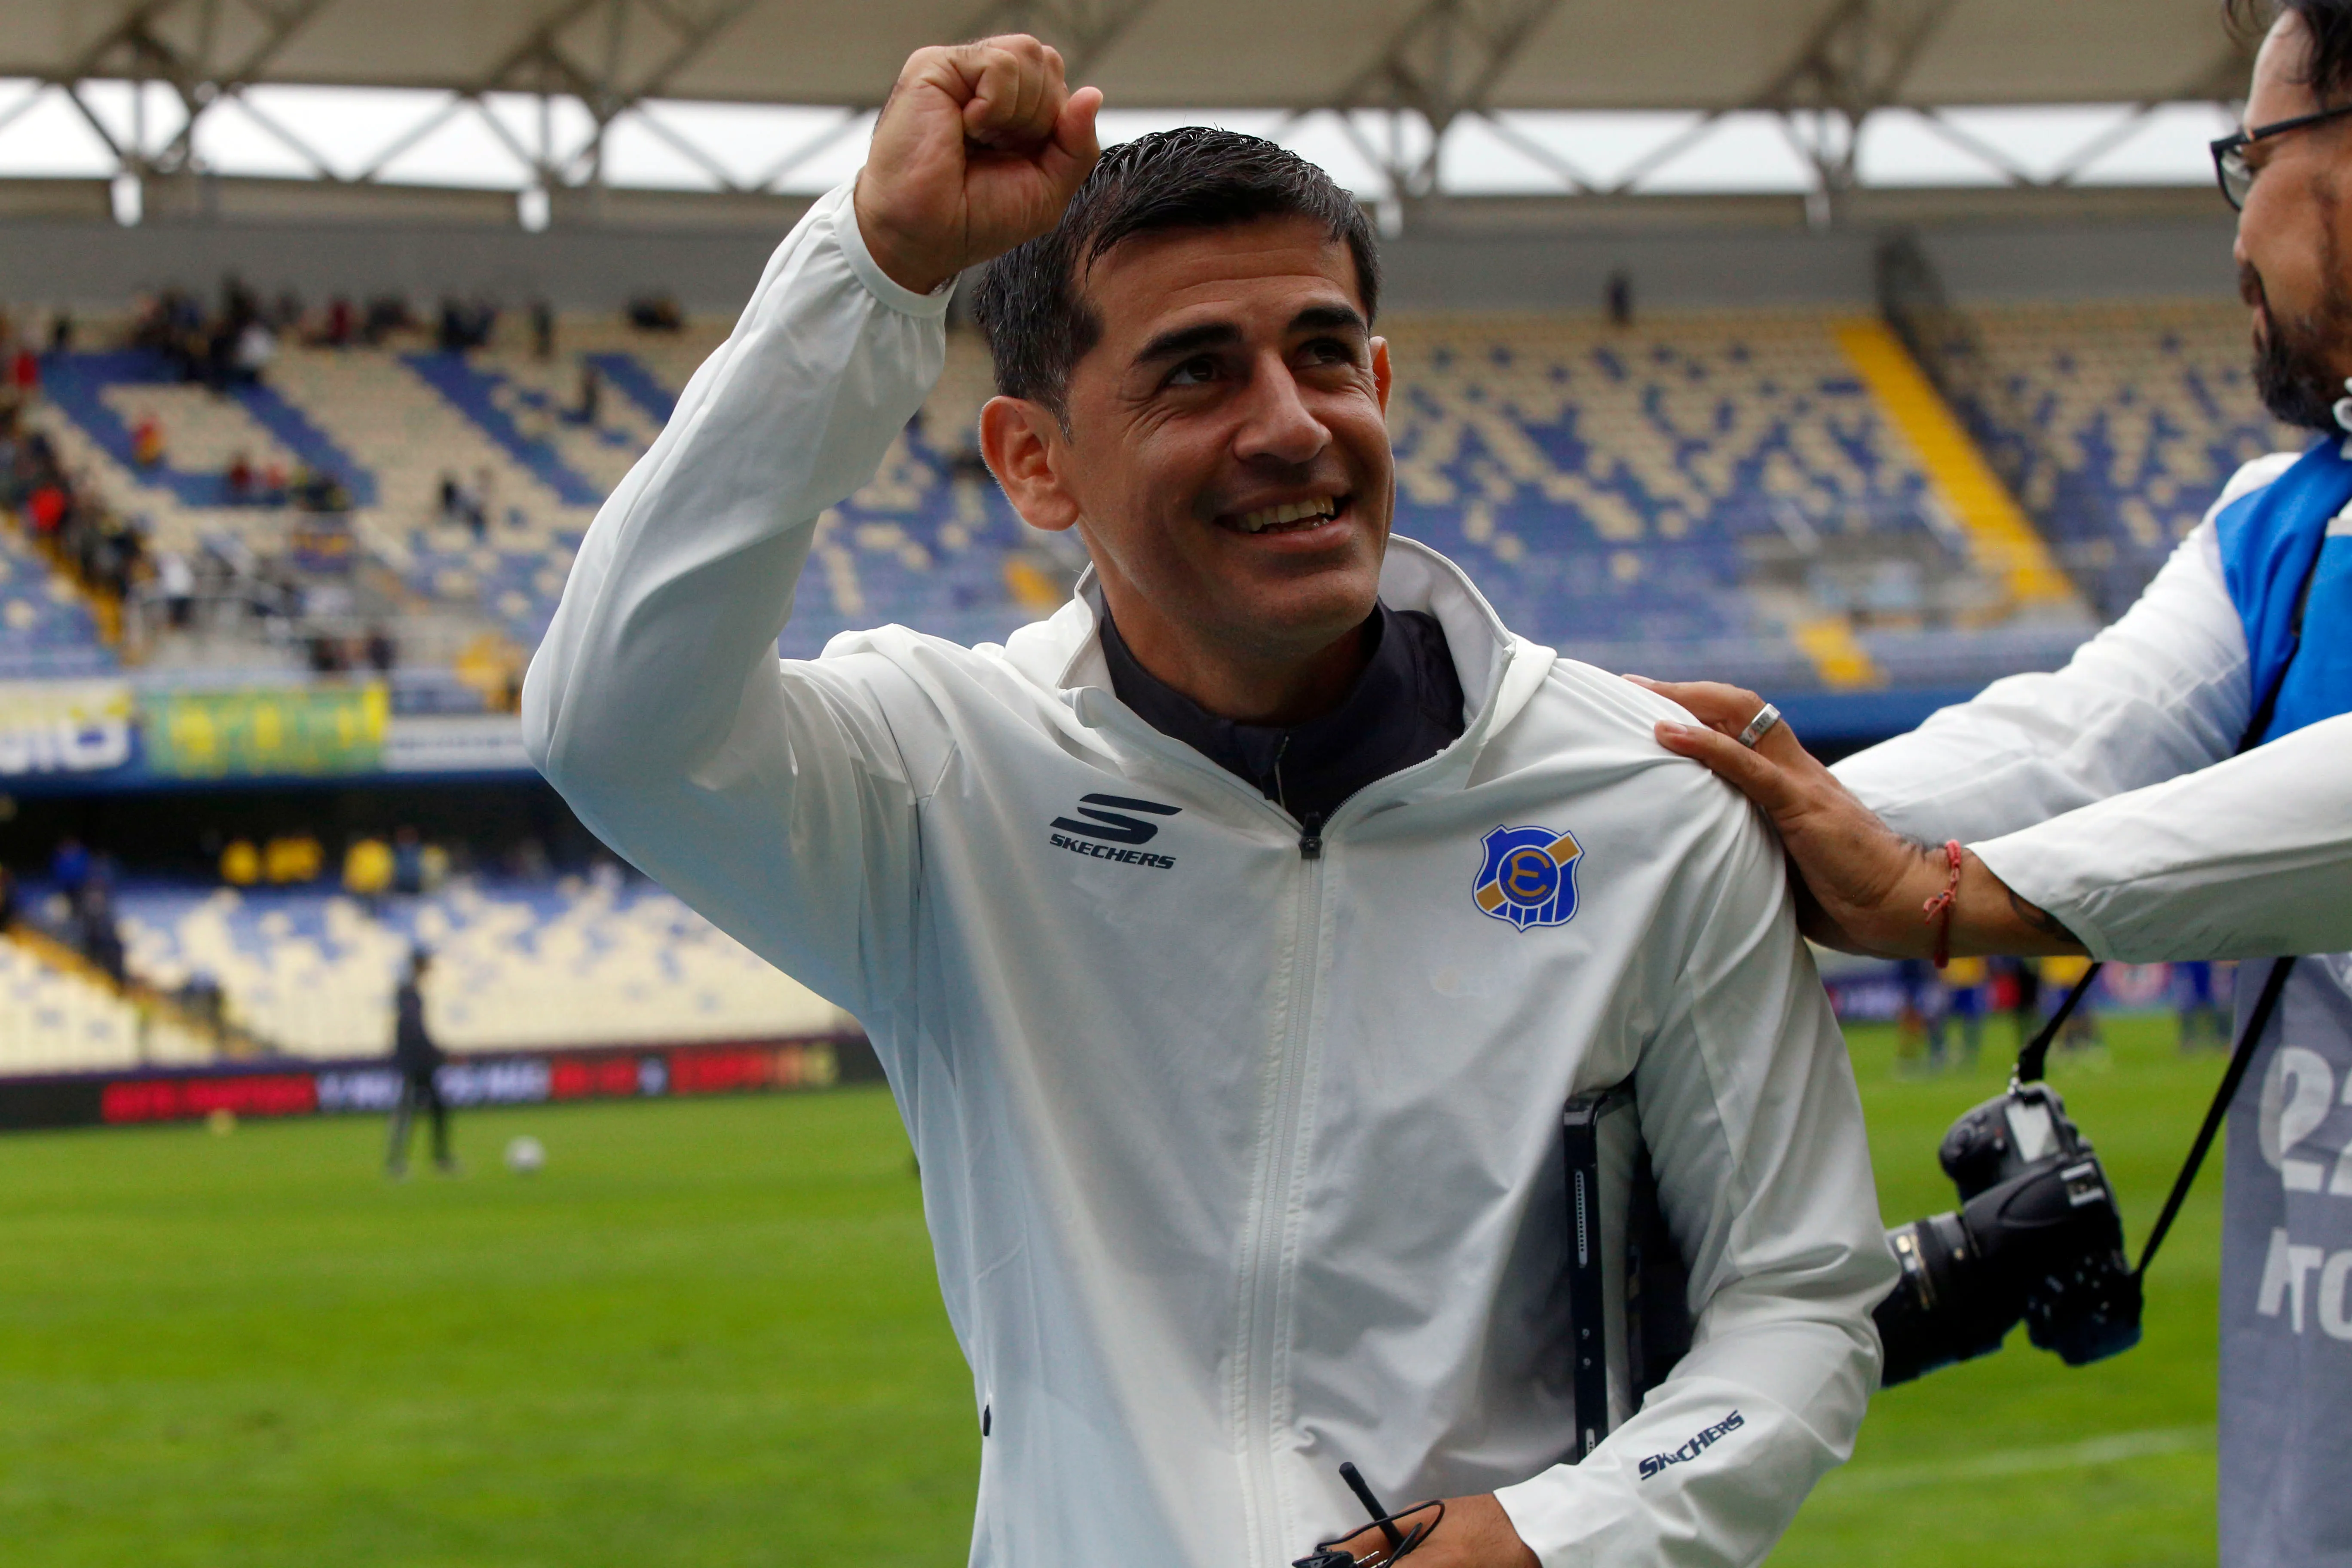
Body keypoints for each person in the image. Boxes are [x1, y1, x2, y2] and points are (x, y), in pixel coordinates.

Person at [524, 37, 1891, 1568]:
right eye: (1195, 372)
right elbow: (611, 723)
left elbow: (1800, 1292)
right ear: (1035, 463)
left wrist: (1565, 1532)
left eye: (1321, 355)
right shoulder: (942, 776)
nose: (1290, 423)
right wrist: (876, 262)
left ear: (1378, 381)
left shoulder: (1646, 790)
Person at [1634, 9, 2352, 1563]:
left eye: (2255, 159)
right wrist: (1684, 847)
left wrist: (1953, 899)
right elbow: (2074, 735)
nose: (2235, 221)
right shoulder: (2288, 526)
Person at [386, 949, 453, 1177]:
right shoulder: (409, 992)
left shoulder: (408, 990)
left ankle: (439, 1159)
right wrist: (435, 1052)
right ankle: (398, 1162)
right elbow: (412, 1028)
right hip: (415, 1063)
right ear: (420, 966)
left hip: (418, 1061)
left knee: (435, 1109)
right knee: (411, 1111)